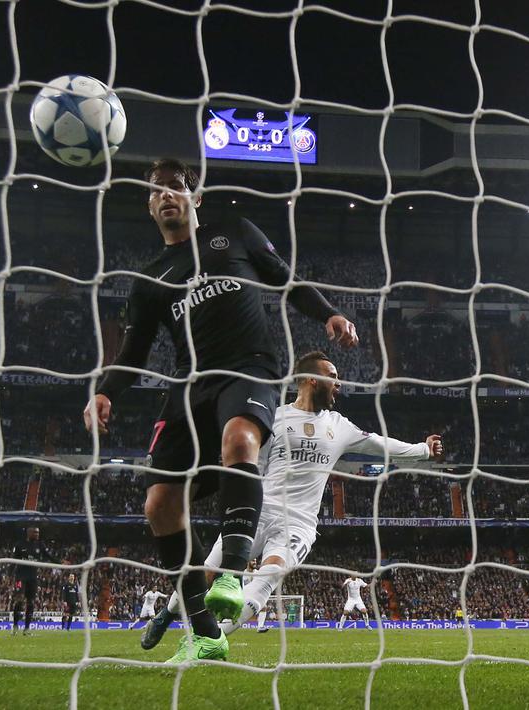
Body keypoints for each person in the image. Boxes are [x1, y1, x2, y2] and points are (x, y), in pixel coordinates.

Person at [84, 159, 358, 663]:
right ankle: (204, 630)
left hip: (248, 366)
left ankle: (231, 574)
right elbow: (133, 353)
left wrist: (330, 314)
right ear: (150, 206)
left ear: (196, 198)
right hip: (189, 387)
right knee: (160, 505)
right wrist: (105, 392)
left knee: (240, 439)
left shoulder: (233, 233)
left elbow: (286, 279)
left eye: (178, 188)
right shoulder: (149, 281)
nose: (167, 196)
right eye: (158, 191)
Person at [143, 350, 442, 649]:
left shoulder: (340, 426)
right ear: (312, 379)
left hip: (298, 524)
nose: (339, 384)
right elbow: (252, 466)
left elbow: (381, 444)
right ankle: (166, 615)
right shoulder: (274, 417)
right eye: (333, 377)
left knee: (267, 579)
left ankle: (207, 642)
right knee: (207, 571)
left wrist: (423, 450)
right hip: (260, 511)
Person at [13, 527, 55, 635]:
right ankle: (15, 626)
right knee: (19, 600)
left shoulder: (40, 545)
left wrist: (60, 562)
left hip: (33, 577)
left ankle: (26, 628)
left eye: (38, 532)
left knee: (31, 602)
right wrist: (9, 574)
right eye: (35, 532)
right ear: (29, 533)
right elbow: (13, 560)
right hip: (20, 576)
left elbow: (48, 556)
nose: (37, 534)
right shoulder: (20, 544)